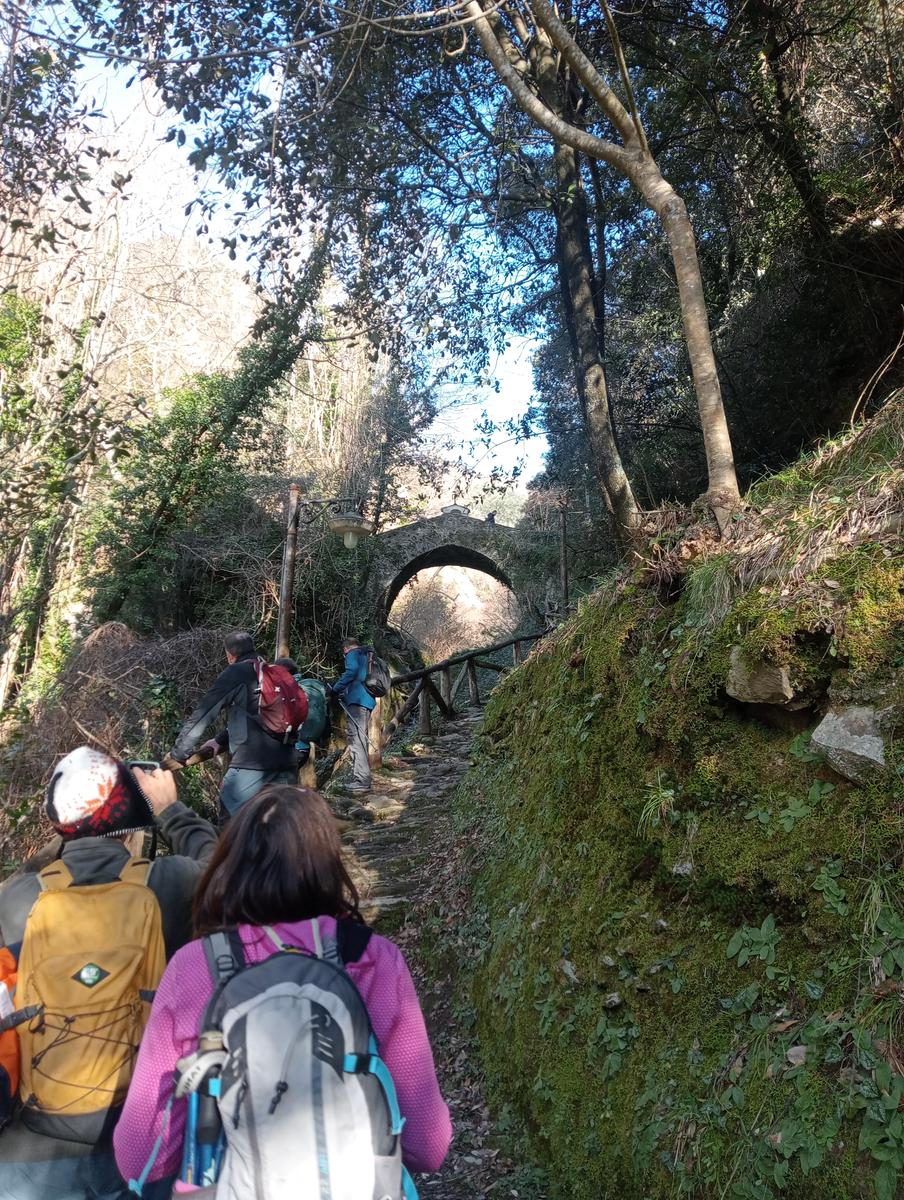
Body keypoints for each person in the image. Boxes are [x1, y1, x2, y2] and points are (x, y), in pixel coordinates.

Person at [113, 785, 452, 1193]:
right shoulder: (375, 960)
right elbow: (428, 1146)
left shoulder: (193, 968)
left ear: (230, 865)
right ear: (329, 866)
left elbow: (139, 1156)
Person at [0, 748, 216, 1200]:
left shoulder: (15, 902)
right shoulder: (170, 884)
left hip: (34, 1150)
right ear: (131, 820)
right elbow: (226, 870)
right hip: (144, 1135)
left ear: (57, 822)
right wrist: (172, 811)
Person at [165, 630, 298, 822]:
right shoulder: (268, 672)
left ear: (230, 655)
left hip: (251, 768)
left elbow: (204, 713)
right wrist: (220, 740)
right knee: (278, 828)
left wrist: (179, 752)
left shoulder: (237, 672)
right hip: (287, 764)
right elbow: (255, 717)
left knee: (232, 827)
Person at [331, 635, 375, 796]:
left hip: (357, 702)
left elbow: (351, 672)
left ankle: (362, 781)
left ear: (345, 648)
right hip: (367, 700)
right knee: (361, 738)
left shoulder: (352, 654)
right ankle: (363, 778)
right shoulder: (367, 654)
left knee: (356, 740)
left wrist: (335, 689)